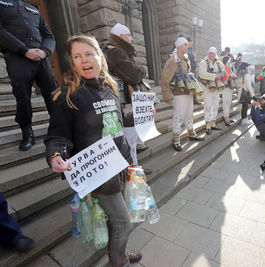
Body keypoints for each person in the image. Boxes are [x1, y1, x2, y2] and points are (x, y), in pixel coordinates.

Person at [45, 35, 142, 266]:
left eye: (89, 54)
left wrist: (131, 162)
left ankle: (116, 252)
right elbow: (57, 135)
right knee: (123, 223)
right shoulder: (68, 96)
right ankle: (119, 261)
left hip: (122, 167)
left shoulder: (110, 87)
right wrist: (56, 155)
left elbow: (116, 125)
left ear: (100, 56)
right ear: (73, 62)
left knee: (115, 221)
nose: (84, 60)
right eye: (77, 56)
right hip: (99, 175)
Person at [0, 0, 58, 151]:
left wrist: (45, 51)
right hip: (18, 57)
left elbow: (49, 35)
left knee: (53, 94)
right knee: (23, 97)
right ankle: (28, 134)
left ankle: (59, 129)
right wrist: (24, 50)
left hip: (41, 58)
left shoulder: (33, 8)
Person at [102, 23, 152, 175]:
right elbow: (134, 74)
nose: (131, 39)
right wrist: (144, 70)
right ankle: (133, 171)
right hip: (124, 103)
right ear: (122, 36)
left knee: (127, 138)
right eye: (129, 36)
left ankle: (130, 168)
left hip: (119, 102)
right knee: (129, 138)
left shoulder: (112, 50)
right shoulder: (116, 52)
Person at [161, 37, 205, 151]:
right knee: (179, 116)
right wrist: (167, 96)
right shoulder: (173, 60)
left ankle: (192, 134)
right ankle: (176, 139)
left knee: (189, 114)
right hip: (178, 93)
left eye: (187, 44)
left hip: (188, 92)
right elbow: (165, 79)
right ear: (179, 46)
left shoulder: (186, 59)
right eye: (185, 44)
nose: (187, 46)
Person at [199, 47, 225, 134]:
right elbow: (202, 74)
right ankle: (208, 125)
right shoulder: (203, 63)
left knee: (216, 106)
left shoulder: (219, 63)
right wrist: (215, 76)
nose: (211, 55)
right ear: (208, 53)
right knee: (208, 106)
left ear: (215, 54)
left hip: (216, 88)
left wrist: (222, 74)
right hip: (207, 88)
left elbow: (225, 71)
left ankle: (213, 123)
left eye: (213, 53)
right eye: (210, 53)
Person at [221, 56, 237, 126]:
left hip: (229, 86)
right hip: (225, 86)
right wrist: (231, 75)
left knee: (229, 102)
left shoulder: (228, 67)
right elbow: (224, 76)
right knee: (226, 103)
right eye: (228, 61)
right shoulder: (223, 67)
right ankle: (226, 118)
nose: (230, 62)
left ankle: (227, 117)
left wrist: (232, 75)